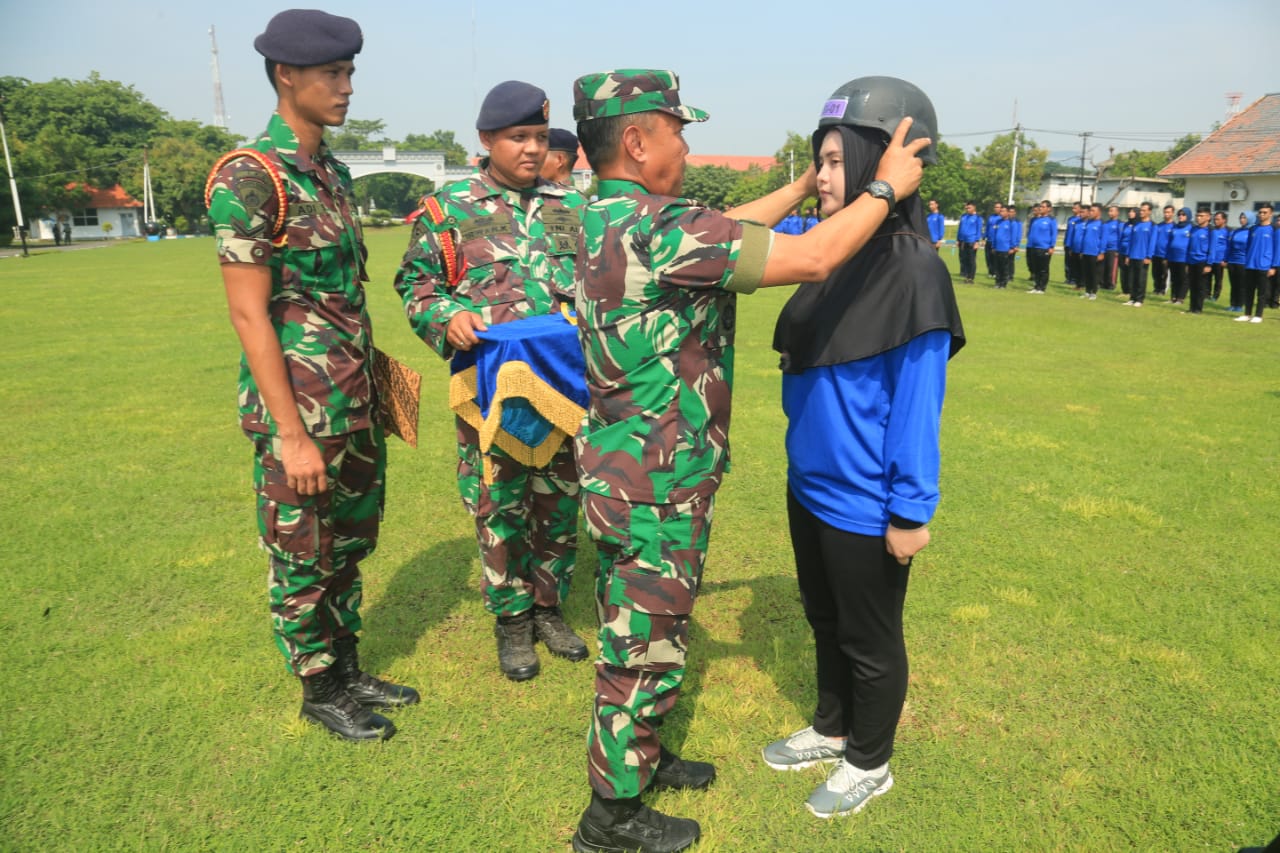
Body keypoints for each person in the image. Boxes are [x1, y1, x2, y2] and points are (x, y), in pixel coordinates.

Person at [568, 69, 929, 853]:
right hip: (655, 484)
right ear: (636, 140)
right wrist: (883, 187)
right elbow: (812, 258)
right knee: (641, 646)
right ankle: (611, 816)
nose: (686, 146)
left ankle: (643, 757)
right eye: (676, 131)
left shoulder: (606, 216)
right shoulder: (658, 226)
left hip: (624, 471)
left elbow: (727, 227)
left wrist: (803, 184)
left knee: (641, 628)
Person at [206, 9, 418, 743]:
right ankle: (319, 686)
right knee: (302, 551)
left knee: (351, 542)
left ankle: (348, 664)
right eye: (333, 73)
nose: (347, 86)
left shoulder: (329, 171)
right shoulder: (250, 176)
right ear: (286, 76)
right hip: (300, 408)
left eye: (350, 72)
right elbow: (249, 315)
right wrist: (290, 434)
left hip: (353, 397)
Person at [765, 77, 964, 824]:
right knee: (823, 617)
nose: (820, 176)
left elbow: (917, 406)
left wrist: (910, 510)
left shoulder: (914, 270)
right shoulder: (831, 253)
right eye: (817, 161)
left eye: (832, 161)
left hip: (865, 499)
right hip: (810, 484)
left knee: (869, 638)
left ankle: (870, 762)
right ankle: (832, 726)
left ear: (881, 164)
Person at [395, 80, 589, 681]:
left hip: (562, 387)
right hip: (489, 389)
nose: (532, 148)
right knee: (498, 502)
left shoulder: (572, 207)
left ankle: (549, 607)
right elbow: (416, 285)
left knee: (560, 501)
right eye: (518, 137)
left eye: (539, 137)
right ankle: (512, 619)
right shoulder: (448, 210)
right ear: (486, 139)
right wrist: (446, 317)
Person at [1235, 203, 1275, 324]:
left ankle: (1258, 315)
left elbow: (1276, 249)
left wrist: (1273, 266)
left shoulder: (1274, 229)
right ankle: (1247, 314)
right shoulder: (1253, 229)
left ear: (1271, 214)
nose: (1261, 214)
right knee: (1248, 291)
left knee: (1261, 292)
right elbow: (1248, 246)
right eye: (1260, 212)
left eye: (1265, 212)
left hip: (1264, 265)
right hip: (1250, 264)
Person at [1123, 202, 1156, 307]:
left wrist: (1149, 256)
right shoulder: (1136, 224)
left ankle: (1139, 299)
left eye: (1144, 210)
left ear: (1149, 211)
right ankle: (1132, 298)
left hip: (1143, 256)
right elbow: (1131, 240)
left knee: (1141, 279)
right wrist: (1128, 255)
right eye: (1141, 210)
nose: (1141, 212)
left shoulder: (1152, 225)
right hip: (1133, 255)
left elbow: (1152, 242)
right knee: (1132, 278)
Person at [1024, 200, 1057, 293]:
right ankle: (1036, 286)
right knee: (1036, 268)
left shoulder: (1051, 220)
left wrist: (1051, 246)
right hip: (1034, 247)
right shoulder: (1036, 220)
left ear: (1049, 209)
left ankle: (1042, 288)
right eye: (1040, 206)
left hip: (1044, 247)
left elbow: (1054, 234)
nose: (1040, 208)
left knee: (1043, 269)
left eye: (1043, 207)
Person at [1184, 208, 1212, 314]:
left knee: (1200, 286)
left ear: (1208, 217)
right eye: (1197, 215)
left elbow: (1212, 249)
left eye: (1201, 216)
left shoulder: (1210, 231)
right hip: (1191, 261)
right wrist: (1187, 263)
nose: (1198, 218)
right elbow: (1189, 246)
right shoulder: (1193, 229)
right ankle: (1192, 307)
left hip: (1202, 261)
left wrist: (1209, 264)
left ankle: (1198, 309)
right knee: (1192, 285)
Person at [1226, 211, 1253, 313]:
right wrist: (1226, 259)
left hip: (1243, 262)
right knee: (1233, 284)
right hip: (1232, 261)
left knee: (1241, 285)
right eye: (1240, 218)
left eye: (1244, 218)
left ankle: (1240, 305)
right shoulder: (1235, 231)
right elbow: (1229, 246)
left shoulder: (1252, 232)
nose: (1241, 220)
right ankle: (1232, 304)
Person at [1165, 207, 1193, 304]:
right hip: (1173, 257)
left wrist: (1189, 259)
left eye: (1183, 214)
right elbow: (1169, 242)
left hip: (1183, 258)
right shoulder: (1175, 227)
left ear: (1188, 216)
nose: (1181, 216)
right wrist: (1167, 256)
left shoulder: (1191, 228)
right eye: (1179, 214)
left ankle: (1180, 298)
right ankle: (1173, 297)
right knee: (1174, 278)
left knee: (1183, 278)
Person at [1079, 204, 1104, 300]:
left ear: (1099, 212)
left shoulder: (1102, 224)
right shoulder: (1088, 223)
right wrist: (1082, 250)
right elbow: (1084, 237)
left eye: (1093, 211)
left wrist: (1101, 252)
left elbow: (1104, 239)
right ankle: (1087, 291)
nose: (1091, 213)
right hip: (1086, 251)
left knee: (1094, 273)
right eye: (1090, 210)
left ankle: (1094, 292)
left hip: (1095, 252)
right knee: (1087, 272)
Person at [955, 200, 982, 283]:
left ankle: (971, 277)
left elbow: (979, 230)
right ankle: (966, 276)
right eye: (967, 208)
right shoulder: (964, 217)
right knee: (964, 259)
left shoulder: (977, 218)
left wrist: (977, 241)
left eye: (969, 208)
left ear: (974, 207)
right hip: (963, 241)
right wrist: (958, 240)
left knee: (971, 260)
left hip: (971, 241)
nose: (967, 209)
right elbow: (960, 229)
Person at [1209, 211, 1229, 301]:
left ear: (1224, 220)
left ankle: (1215, 296)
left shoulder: (1227, 232)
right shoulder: (1212, 231)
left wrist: (1225, 260)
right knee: (1207, 278)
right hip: (1210, 259)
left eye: (1218, 219)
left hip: (1220, 259)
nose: (1215, 221)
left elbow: (1228, 246)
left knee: (1218, 279)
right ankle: (1207, 294)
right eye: (1215, 219)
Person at [984, 201, 1003, 278]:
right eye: (995, 207)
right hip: (989, 240)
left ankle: (995, 272)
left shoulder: (1001, 219)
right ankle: (990, 272)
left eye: (998, 207)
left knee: (995, 258)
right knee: (988, 257)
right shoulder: (991, 217)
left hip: (996, 242)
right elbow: (987, 228)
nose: (996, 208)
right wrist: (984, 237)